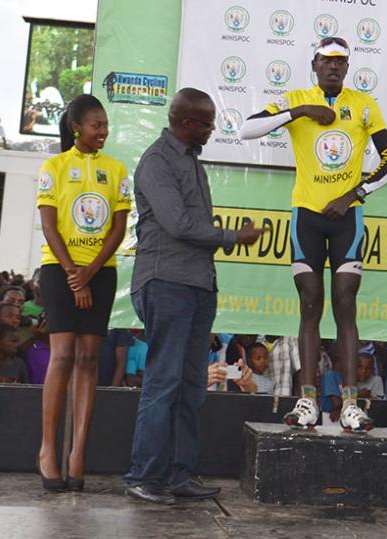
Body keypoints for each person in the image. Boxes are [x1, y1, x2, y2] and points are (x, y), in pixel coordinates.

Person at [240, 36, 387, 432]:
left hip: (347, 217)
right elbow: (247, 129)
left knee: (345, 300)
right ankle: (306, 399)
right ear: (314, 64)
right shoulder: (297, 98)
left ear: (347, 67)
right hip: (306, 216)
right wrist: (301, 111)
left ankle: (349, 402)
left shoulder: (363, 104)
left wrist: (353, 194)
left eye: (340, 62)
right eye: (327, 61)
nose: (333, 67)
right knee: (310, 301)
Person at [125, 87, 262, 505]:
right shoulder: (157, 162)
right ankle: (144, 476)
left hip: (198, 285)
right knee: (163, 383)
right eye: (205, 123)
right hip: (166, 282)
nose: (211, 129)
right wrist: (231, 237)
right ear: (185, 123)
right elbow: (179, 224)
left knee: (190, 387)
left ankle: (179, 474)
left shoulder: (192, 164)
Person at [35, 94, 132, 493]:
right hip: (60, 270)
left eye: (106, 125)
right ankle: (47, 451)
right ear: (77, 127)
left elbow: (119, 228)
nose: (103, 131)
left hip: (101, 271)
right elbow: (50, 226)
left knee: (90, 358)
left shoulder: (117, 169)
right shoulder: (54, 167)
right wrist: (74, 275)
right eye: (97, 125)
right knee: (63, 356)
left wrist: (90, 272)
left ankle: (78, 453)